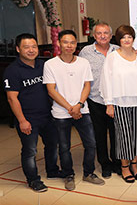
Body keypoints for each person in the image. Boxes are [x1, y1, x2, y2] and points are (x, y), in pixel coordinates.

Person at [43, 29, 103, 191]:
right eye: (65, 42)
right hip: (61, 113)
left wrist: (79, 105)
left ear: (76, 44)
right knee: (64, 147)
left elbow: (87, 85)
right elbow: (51, 90)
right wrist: (70, 108)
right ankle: (68, 174)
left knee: (91, 144)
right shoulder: (50, 64)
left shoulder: (83, 63)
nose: (69, 45)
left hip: (82, 110)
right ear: (59, 43)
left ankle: (88, 173)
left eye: (72, 42)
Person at [4, 32, 62, 191]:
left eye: (34, 46)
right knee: (30, 151)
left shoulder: (43, 65)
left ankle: (52, 170)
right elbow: (12, 99)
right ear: (18, 49)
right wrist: (22, 120)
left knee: (52, 144)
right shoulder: (13, 71)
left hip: (47, 115)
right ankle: (33, 179)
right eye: (26, 47)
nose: (31, 50)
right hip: (28, 118)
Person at [101, 23, 137, 183]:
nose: (127, 40)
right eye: (123, 37)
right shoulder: (112, 57)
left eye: (129, 36)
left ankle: (134, 165)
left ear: (133, 39)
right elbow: (106, 80)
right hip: (120, 103)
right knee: (124, 137)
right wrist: (109, 103)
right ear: (118, 39)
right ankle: (124, 167)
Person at [80, 22, 120, 178]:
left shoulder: (118, 50)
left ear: (111, 36)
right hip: (95, 99)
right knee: (100, 135)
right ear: (94, 35)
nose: (102, 36)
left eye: (106, 33)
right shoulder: (86, 52)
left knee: (116, 134)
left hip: (116, 100)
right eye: (99, 33)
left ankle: (117, 162)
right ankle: (105, 163)